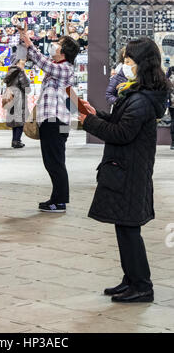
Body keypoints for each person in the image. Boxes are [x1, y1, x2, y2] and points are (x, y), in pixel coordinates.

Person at [79, 37, 168, 303]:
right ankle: (131, 279)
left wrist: (90, 123)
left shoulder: (141, 99)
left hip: (130, 172)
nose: (124, 66)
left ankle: (142, 286)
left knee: (129, 230)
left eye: (128, 61)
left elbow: (122, 133)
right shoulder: (136, 94)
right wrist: (97, 115)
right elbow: (121, 123)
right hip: (127, 169)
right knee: (124, 228)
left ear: (142, 63)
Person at [19, 21, 80, 213]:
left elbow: (42, 63)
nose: (54, 45)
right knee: (52, 161)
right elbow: (39, 60)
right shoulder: (58, 65)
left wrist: (30, 44)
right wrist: (25, 41)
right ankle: (56, 198)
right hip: (50, 121)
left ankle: (60, 201)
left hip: (55, 122)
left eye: (59, 44)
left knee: (55, 162)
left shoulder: (65, 68)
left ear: (64, 52)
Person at [4, 59, 31, 149]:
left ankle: (14, 140)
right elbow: (26, 87)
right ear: (17, 63)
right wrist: (25, 76)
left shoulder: (10, 71)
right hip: (19, 98)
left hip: (11, 98)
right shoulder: (20, 72)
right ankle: (16, 141)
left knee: (14, 120)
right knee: (20, 120)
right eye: (22, 63)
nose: (23, 65)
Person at [166, 65, 174, 149]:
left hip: (172, 101)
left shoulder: (170, 70)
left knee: (173, 120)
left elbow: (165, 82)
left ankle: (173, 143)